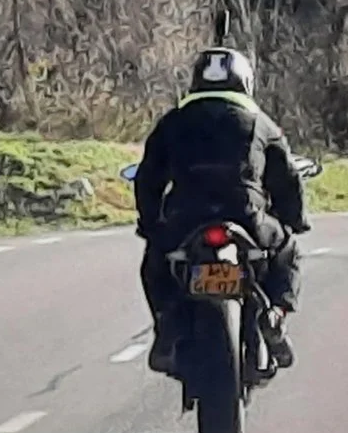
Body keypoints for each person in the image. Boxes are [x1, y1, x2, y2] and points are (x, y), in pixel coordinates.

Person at [132, 45, 310, 375]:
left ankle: (167, 320)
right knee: (287, 249)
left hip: (185, 218)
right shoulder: (261, 123)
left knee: (156, 258)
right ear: (245, 81)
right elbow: (287, 179)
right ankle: (276, 314)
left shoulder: (172, 122)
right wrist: (293, 221)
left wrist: (150, 222)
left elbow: (148, 177)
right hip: (247, 217)